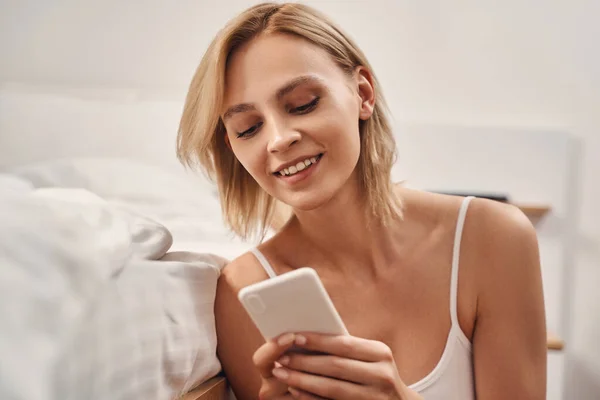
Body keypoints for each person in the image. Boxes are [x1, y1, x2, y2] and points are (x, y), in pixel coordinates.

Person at [177, 2, 547, 399]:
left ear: (363, 93)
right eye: (248, 128)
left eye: (303, 104)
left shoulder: (491, 239)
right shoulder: (241, 293)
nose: (279, 139)